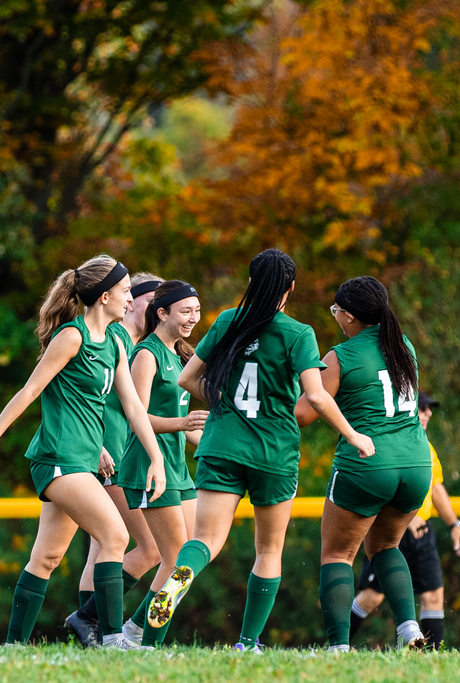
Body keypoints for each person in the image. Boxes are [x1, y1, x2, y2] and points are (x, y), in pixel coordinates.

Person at [146, 249, 375, 652]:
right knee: (268, 549)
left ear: (251, 282)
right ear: (289, 287)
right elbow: (317, 398)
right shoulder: (298, 332)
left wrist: (224, 403)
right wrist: (353, 435)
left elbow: (186, 378)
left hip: (222, 445)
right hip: (273, 453)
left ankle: (161, 611)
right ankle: (247, 642)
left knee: (204, 542)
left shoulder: (228, 321)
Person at [0, 255, 167, 650]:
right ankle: (112, 639)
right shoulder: (71, 337)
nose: (131, 300)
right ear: (105, 295)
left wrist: (156, 457)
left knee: (47, 558)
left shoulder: (114, 342)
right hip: (58, 458)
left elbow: (132, 407)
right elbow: (29, 391)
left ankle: (13, 647)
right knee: (114, 536)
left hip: (81, 462)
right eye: (126, 292)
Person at [294, 276, 431, 652]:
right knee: (386, 547)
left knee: (338, 554)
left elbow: (304, 413)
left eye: (336, 311)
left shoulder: (341, 356)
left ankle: (338, 646)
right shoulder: (405, 345)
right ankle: (409, 629)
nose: (335, 317)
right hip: (417, 463)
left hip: (369, 462)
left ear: (350, 316)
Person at [69, 273, 165, 645]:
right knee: (148, 548)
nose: (155, 307)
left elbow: (138, 411)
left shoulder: (140, 345)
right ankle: (89, 620)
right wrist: (96, 446)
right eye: (143, 298)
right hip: (104, 459)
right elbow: (81, 396)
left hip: (112, 458)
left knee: (101, 547)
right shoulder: (118, 338)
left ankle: (88, 630)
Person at [118, 280, 208, 648]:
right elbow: (135, 415)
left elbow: (183, 428)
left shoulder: (179, 356)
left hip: (177, 468)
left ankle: (134, 631)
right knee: (175, 563)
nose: (193, 318)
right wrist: (182, 424)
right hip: (149, 467)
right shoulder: (147, 354)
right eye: (185, 311)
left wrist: (220, 456)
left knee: (190, 560)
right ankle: (143, 641)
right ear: (162, 313)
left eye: (196, 311)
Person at [350, 391, 460, 650]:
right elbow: (380, 484)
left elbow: (436, 488)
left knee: (434, 595)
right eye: (423, 407)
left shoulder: (426, 447)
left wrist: (455, 525)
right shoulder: (390, 440)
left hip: (422, 534)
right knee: (371, 597)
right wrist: (407, 515)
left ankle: (432, 657)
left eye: (429, 409)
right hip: (392, 530)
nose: (428, 413)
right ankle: (337, 644)